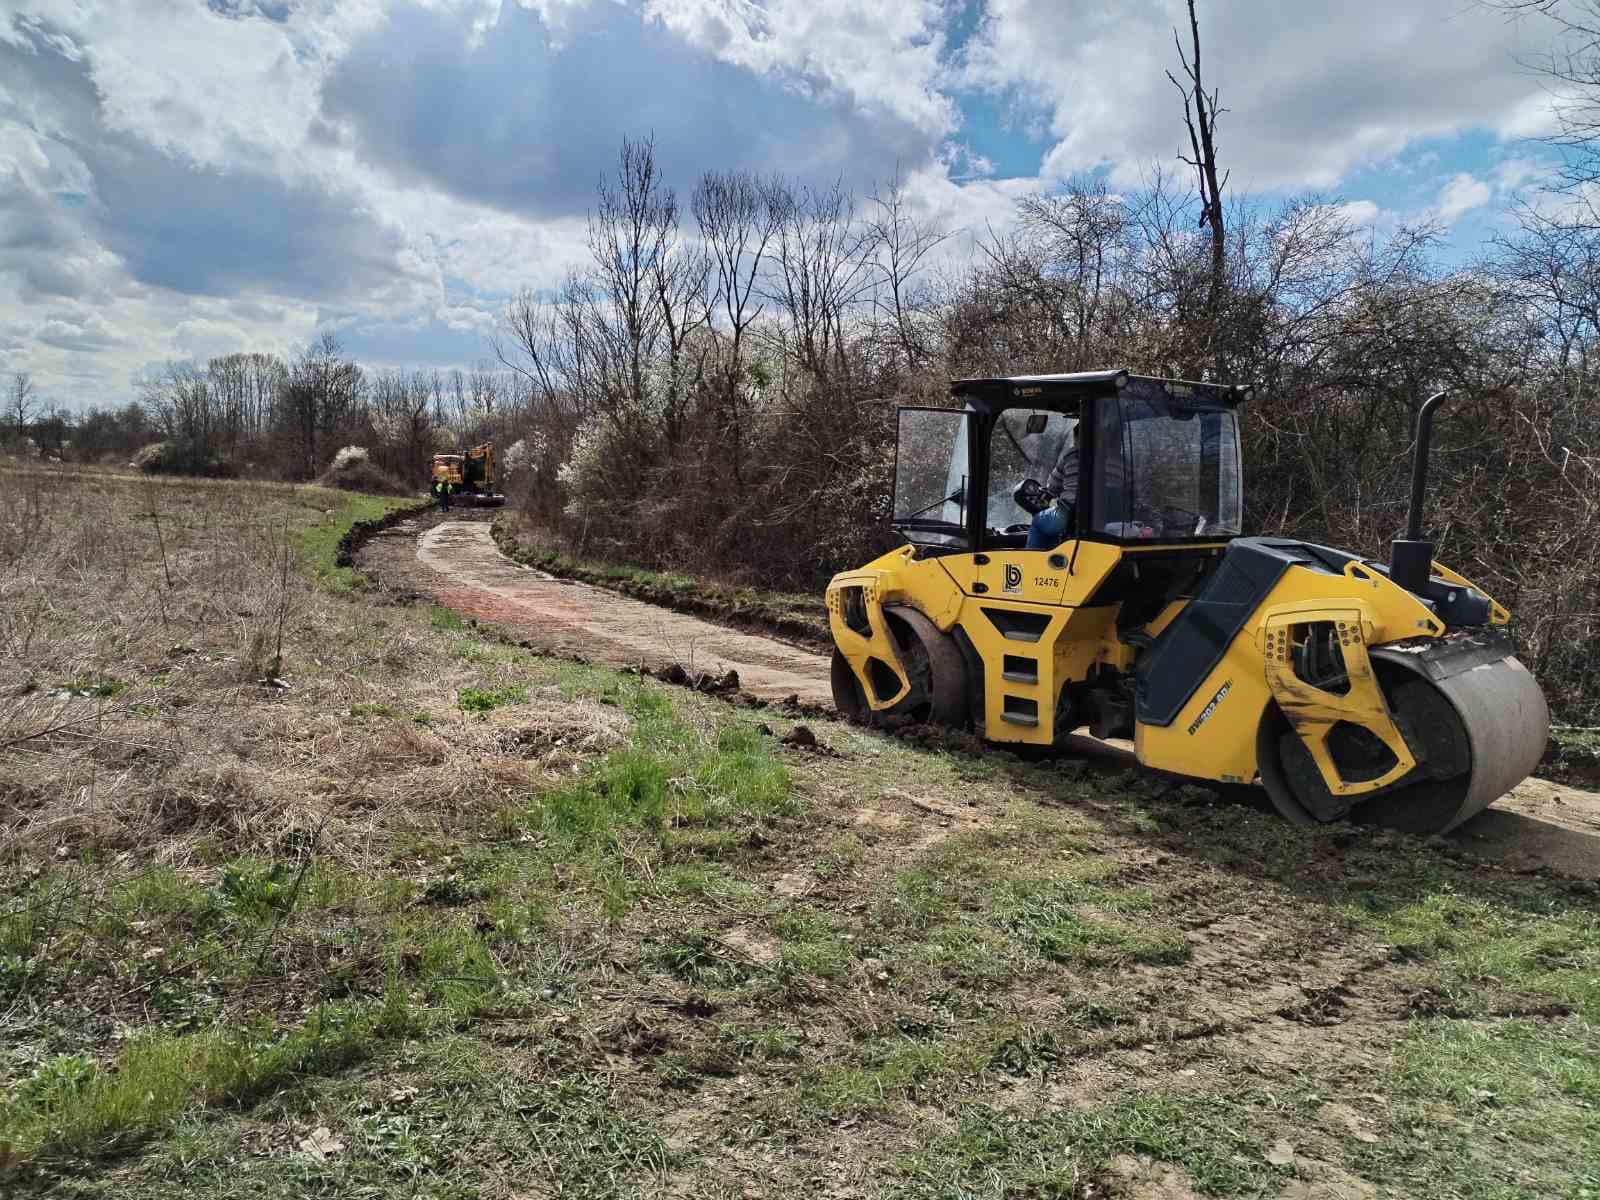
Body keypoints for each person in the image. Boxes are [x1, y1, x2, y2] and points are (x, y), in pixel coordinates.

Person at [1026, 422, 1079, 550]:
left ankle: (1034, 565)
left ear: (1078, 437)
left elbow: (1052, 487)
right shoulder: (1121, 461)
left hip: (1071, 516)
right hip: (1107, 523)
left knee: (1038, 522)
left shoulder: (1071, 455)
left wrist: (1048, 494)